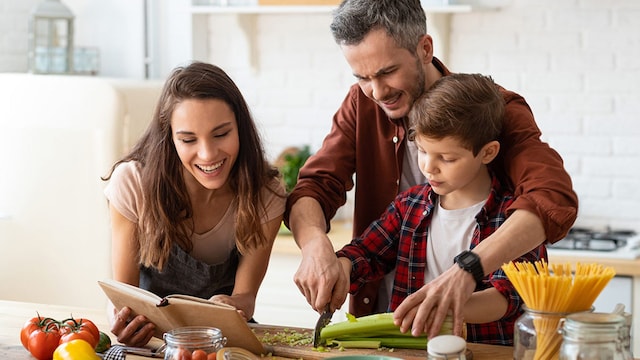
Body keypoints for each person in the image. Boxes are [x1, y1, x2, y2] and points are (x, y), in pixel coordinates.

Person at [285, 0, 578, 340]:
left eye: (386, 72)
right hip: (390, 329)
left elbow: (551, 197)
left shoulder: (491, 111)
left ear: (424, 48)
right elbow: (315, 187)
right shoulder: (362, 104)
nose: (376, 92)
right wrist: (316, 247)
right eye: (362, 77)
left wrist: (468, 268)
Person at [336, 73, 547, 345]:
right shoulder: (407, 206)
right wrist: (341, 267)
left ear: (488, 152)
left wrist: (442, 306)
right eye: (422, 151)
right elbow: (366, 253)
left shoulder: (514, 219)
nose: (428, 167)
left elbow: (508, 295)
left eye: (446, 158)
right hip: (411, 353)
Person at [102, 61, 286, 347]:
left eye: (222, 134)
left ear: (240, 127)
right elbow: (125, 295)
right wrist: (122, 320)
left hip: (225, 343)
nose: (208, 154)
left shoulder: (265, 193)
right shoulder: (133, 183)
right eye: (188, 139)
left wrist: (233, 303)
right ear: (169, 139)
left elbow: (246, 297)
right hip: (153, 343)